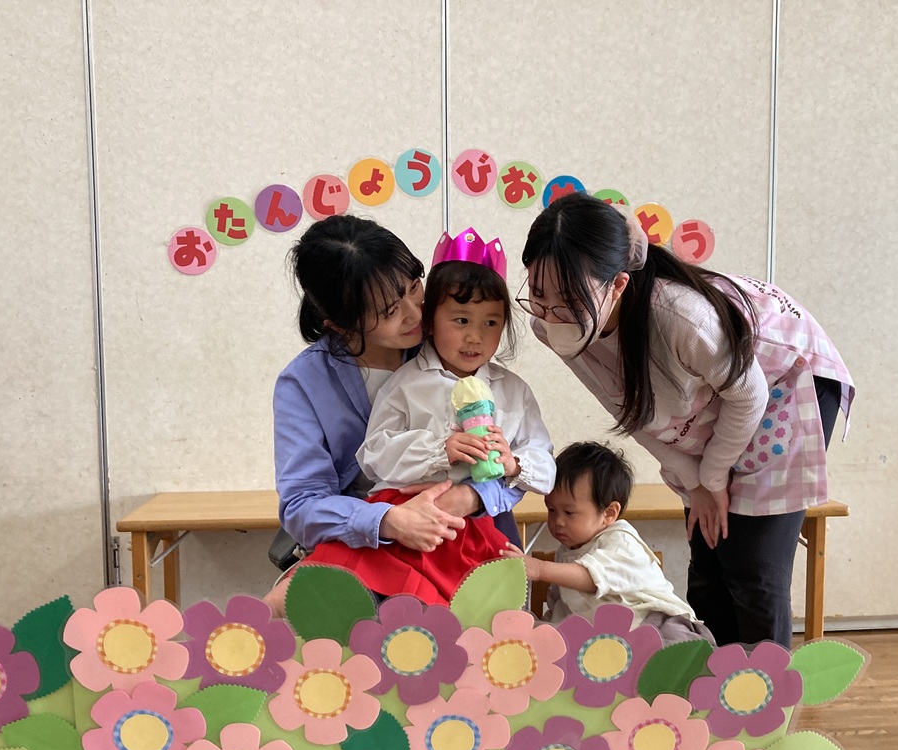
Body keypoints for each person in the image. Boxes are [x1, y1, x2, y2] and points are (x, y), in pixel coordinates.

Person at [520, 193, 854, 648]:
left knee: (752, 567)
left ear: (617, 285)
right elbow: (627, 409)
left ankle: (765, 691)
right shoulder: (552, 324)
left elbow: (749, 395)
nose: (552, 315)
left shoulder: (681, 317)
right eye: (539, 297)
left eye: (570, 301)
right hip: (723, 399)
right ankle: (712, 682)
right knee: (708, 556)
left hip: (784, 383)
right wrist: (696, 483)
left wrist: (712, 476)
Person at [299, 227, 555, 607]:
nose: (475, 337)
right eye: (461, 321)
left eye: (491, 323)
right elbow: (374, 453)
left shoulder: (513, 390)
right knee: (348, 586)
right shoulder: (407, 383)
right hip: (401, 513)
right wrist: (438, 451)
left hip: (476, 525)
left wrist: (512, 464)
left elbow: (544, 462)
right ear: (432, 321)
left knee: (475, 614)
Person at [267, 215, 501, 613]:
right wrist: (387, 521)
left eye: (414, 287)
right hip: (367, 542)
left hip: (465, 525)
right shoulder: (304, 382)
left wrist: (470, 497)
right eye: (390, 310)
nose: (415, 314)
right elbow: (302, 504)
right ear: (340, 325)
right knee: (297, 610)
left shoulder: (451, 343)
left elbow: (514, 454)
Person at [502, 441, 714, 646]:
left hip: (652, 621)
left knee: (677, 644)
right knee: (546, 634)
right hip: (608, 640)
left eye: (569, 512)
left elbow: (592, 577)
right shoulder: (565, 554)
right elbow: (561, 605)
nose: (558, 521)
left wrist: (540, 569)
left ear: (609, 513)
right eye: (551, 510)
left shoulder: (621, 540)